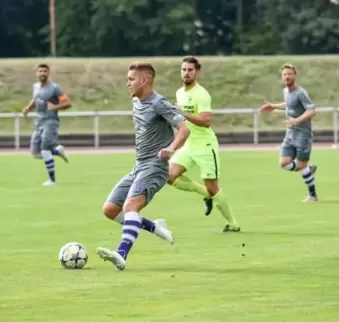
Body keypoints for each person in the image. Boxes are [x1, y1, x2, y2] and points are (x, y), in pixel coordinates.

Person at [97, 62, 190, 271]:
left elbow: (184, 130)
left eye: (131, 79)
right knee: (110, 209)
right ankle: (155, 227)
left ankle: (121, 254)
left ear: (145, 80)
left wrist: (171, 148)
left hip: (156, 166)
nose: (127, 83)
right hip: (139, 166)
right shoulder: (137, 102)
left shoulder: (159, 103)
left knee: (130, 207)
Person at [166, 56, 240, 232]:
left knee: (213, 187)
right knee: (168, 176)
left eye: (190, 70)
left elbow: (206, 121)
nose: (186, 73)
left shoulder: (202, 94)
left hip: (206, 146)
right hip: (189, 145)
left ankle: (233, 223)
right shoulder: (179, 93)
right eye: (184, 69)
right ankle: (206, 195)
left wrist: (183, 113)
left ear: (197, 72)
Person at [259, 63, 318, 202]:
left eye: (289, 74)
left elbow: (312, 110)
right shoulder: (286, 91)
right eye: (285, 74)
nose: (287, 76)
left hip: (303, 134)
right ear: (282, 77)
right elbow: (289, 104)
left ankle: (313, 195)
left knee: (301, 165)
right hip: (290, 133)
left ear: (294, 75)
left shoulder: (301, 92)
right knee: (284, 163)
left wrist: (297, 120)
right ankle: (307, 170)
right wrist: (273, 106)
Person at [22, 64, 70, 186]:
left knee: (45, 149)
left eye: (45, 71)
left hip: (51, 122)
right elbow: (35, 100)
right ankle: (57, 151)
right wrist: (28, 108)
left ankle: (52, 180)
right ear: (36, 73)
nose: (42, 73)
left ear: (49, 73)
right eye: (40, 71)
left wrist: (55, 107)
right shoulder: (36, 87)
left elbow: (67, 103)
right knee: (35, 153)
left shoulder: (55, 88)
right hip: (39, 122)